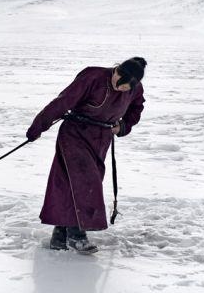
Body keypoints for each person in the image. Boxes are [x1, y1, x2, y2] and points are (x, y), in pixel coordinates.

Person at [26, 57, 147, 253]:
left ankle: (60, 235)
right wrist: (38, 127)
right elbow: (63, 102)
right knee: (85, 182)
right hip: (75, 134)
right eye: (119, 84)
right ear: (117, 71)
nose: (120, 89)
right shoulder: (93, 76)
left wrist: (123, 126)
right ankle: (77, 235)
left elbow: (136, 107)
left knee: (71, 184)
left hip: (101, 139)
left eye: (125, 89)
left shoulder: (135, 88)